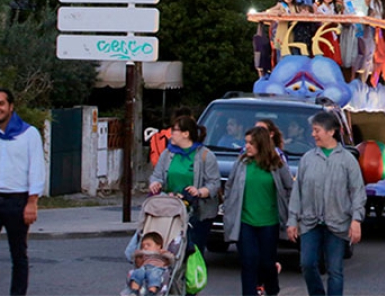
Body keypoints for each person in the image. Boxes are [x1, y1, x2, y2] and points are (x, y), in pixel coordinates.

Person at [288, 112, 366, 296]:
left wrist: (356, 220)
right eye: (313, 130)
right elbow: (297, 191)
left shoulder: (347, 160)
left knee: (335, 270)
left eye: (317, 130)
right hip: (310, 222)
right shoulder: (307, 159)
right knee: (307, 264)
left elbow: (357, 192)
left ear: (331, 132)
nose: (313, 134)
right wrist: (292, 220)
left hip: (338, 223)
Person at [224, 127, 293, 296]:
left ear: (261, 144)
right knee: (248, 261)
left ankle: (272, 289)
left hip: (269, 222)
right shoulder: (241, 163)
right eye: (246, 142)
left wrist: (291, 215)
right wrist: (229, 206)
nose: (246, 146)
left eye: (251, 143)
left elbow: (289, 188)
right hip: (245, 221)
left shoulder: (277, 164)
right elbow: (230, 186)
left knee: (267, 263)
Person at [0, 88, 45, 296]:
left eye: (0, 104)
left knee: (18, 254)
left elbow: (36, 169)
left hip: (18, 202)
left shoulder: (28, 134)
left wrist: (32, 202)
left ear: (10, 106)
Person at [149, 115, 221, 255]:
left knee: (193, 251)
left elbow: (214, 183)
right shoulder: (168, 153)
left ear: (185, 134)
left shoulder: (205, 155)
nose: (170, 134)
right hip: (172, 209)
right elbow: (157, 175)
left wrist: (199, 191)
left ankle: (193, 275)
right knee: (171, 251)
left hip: (197, 213)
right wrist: (156, 183)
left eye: (174, 130)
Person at [122, 232, 175, 296]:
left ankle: (152, 291)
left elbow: (171, 260)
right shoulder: (144, 254)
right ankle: (134, 291)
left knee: (154, 275)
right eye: (143, 246)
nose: (145, 247)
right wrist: (138, 256)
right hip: (145, 268)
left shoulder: (161, 253)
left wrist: (165, 254)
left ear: (159, 246)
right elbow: (138, 264)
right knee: (137, 272)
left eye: (148, 245)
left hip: (157, 268)